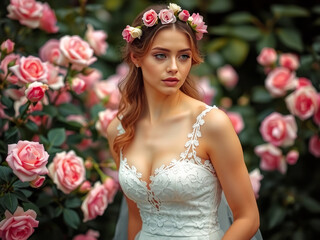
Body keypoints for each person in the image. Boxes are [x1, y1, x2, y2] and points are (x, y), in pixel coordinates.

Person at [107, 3, 260, 240]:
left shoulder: (212, 124)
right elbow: (136, 218)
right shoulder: (119, 130)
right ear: (136, 57)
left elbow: (248, 218)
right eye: (160, 55)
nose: (173, 68)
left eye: (184, 57)